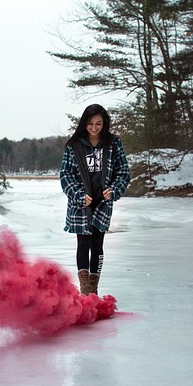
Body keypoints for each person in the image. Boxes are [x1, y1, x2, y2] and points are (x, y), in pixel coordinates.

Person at [60, 104, 130, 295]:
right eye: (90, 123)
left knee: (97, 245)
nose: (94, 127)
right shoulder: (74, 146)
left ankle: (94, 288)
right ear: (84, 123)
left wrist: (114, 190)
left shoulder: (113, 143)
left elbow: (123, 173)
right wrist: (79, 195)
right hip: (81, 203)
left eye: (99, 123)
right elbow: (65, 176)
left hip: (103, 203)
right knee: (83, 243)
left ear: (104, 124)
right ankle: (85, 289)